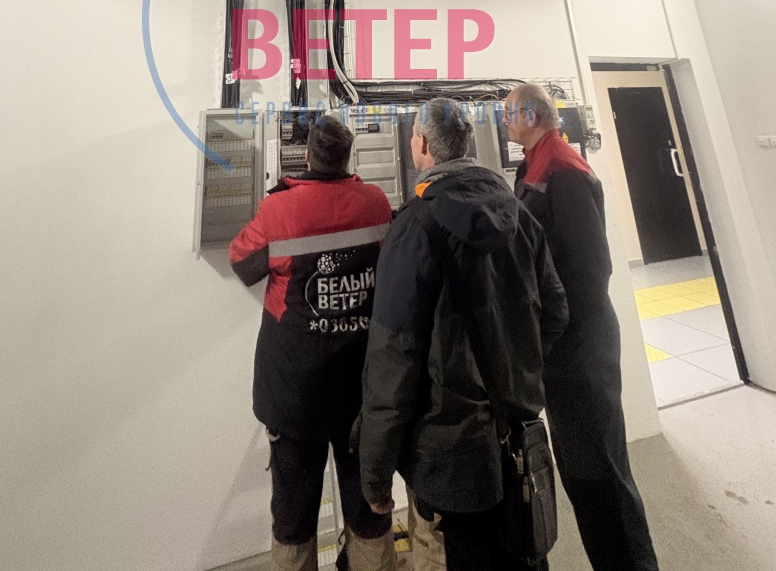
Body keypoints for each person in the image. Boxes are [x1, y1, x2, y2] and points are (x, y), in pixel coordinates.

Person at [358, 98, 569, 571]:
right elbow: (556, 313)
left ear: (422, 145)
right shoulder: (520, 216)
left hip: (448, 458)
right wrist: (516, 374)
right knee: (522, 554)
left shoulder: (413, 229)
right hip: (517, 437)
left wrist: (374, 473)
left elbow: (393, 360)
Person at [504, 83, 660, 571]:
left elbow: (592, 270)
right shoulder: (533, 166)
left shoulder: (563, 170)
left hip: (581, 351)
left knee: (603, 476)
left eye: (509, 113)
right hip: (560, 351)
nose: (504, 120)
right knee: (579, 475)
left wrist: (554, 334)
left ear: (531, 115)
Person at [229, 114, 396, 571]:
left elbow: (242, 262)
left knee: (294, 517)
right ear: (348, 157)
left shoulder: (279, 210)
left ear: (306, 156)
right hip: (361, 389)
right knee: (368, 508)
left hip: (294, 394)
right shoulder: (376, 203)